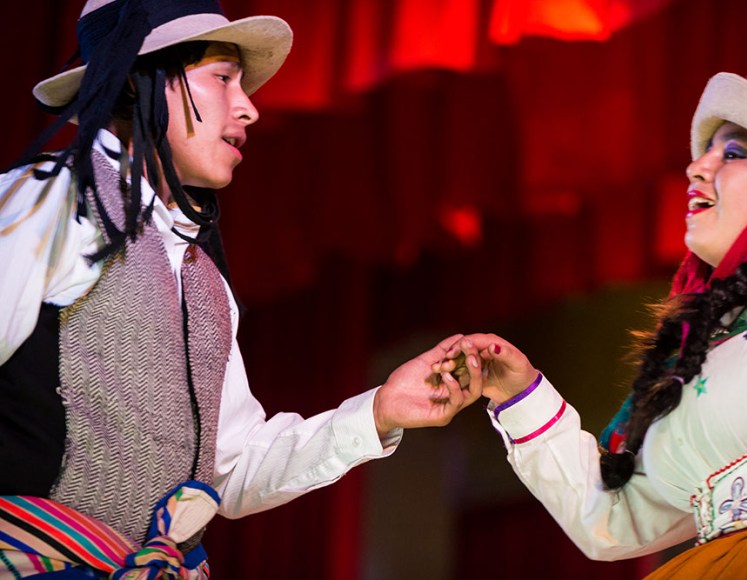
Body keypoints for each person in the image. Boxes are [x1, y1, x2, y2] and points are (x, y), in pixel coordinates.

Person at [0, 1, 481, 576]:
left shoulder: (202, 276)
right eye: (222, 78)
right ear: (136, 82)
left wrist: (378, 412)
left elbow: (230, 468)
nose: (248, 107)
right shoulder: (43, 202)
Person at [438, 73, 747, 577]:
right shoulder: (708, 350)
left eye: (734, 153)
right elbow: (612, 522)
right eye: (706, 152)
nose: (696, 167)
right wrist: (520, 396)